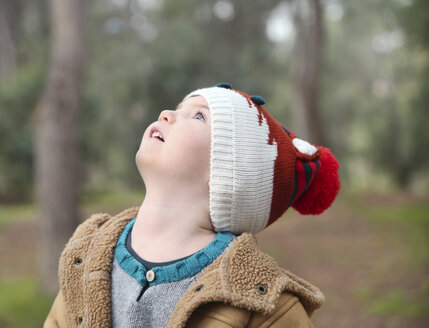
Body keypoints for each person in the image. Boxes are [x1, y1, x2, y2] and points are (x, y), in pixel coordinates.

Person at [43, 83, 340, 328]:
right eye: (179, 107)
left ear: (225, 174)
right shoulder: (88, 258)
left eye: (199, 116)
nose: (167, 114)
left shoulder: (265, 305)